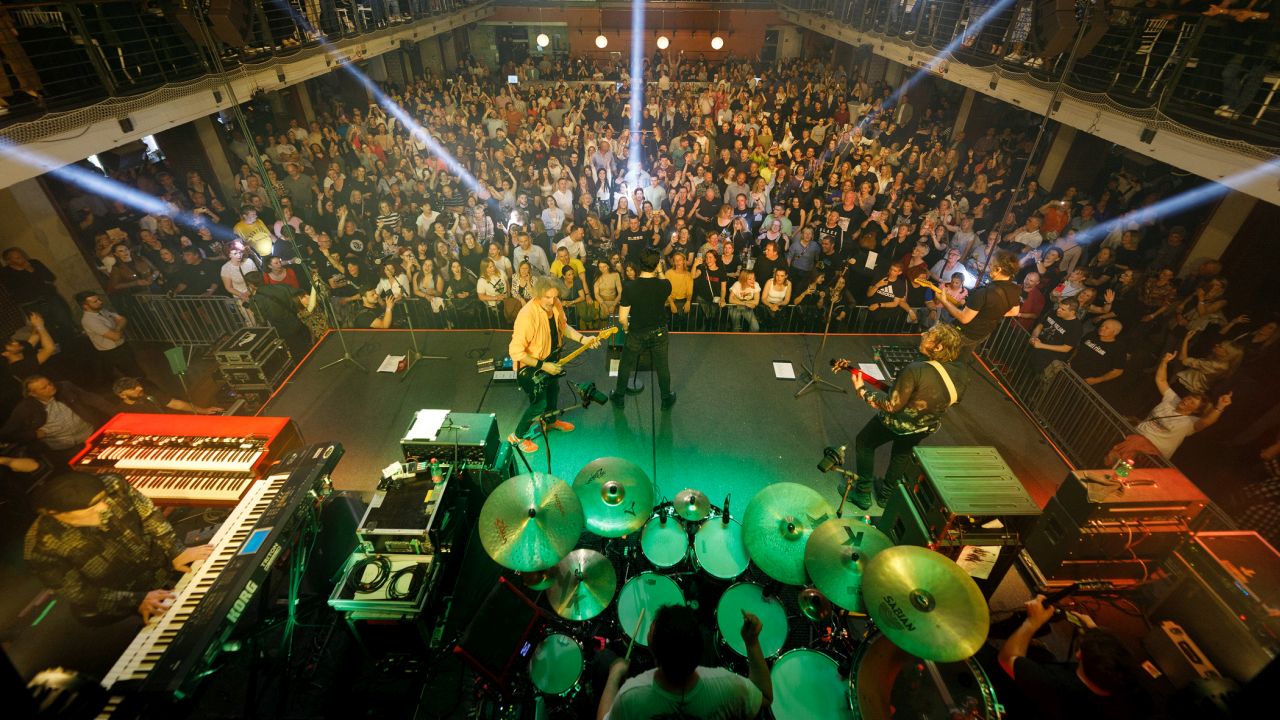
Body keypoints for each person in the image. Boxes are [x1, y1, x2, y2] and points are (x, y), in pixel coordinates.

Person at [24, 471, 212, 624]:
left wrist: (176, 550)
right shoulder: (41, 547)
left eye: (103, 499)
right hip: (126, 596)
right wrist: (136, 600)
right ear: (55, 513)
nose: (104, 507)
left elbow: (149, 515)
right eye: (92, 507)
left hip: (162, 563)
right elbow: (79, 592)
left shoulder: (113, 484)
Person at [846, 324, 969, 509]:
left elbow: (891, 405)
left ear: (938, 347)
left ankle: (863, 493)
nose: (923, 334)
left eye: (929, 335)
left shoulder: (916, 369)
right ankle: (885, 497)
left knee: (865, 442)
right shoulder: (961, 371)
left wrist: (862, 391)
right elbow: (955, 400)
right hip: (924, 426)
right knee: (901, 454)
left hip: (896, 422)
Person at [598, 604, 771, 720]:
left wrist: (615, 675)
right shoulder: (729, 686)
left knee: (604, 659)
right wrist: (752, 642)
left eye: (651, 630)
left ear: (655, 657)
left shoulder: (631, 696)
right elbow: (764, 696)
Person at [997, 595, 1143, 720]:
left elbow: (1007, 658)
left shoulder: (1055, 686)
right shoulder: (1127, 691)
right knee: (1041, 653)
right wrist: (1094, 631)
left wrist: (1032, 622)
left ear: (1079, 654)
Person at [508, 275, 602, 453]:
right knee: (539, 404)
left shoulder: (556, 304)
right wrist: (543, 366)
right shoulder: (527, 315)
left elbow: (563, 327)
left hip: (551, 359)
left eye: (555, 296)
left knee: (553, 391)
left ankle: (550, 422)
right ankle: (517, 436)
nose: (552, 301)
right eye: (547, 297)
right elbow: (515, 352)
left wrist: (583, 339)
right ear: (537, 295)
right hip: (532, 367)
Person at [611, 250, 676, 410]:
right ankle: (666, 399)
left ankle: (619, 397)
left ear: (640, 265)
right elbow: (664, 282)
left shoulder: (630, 287)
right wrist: (660, 271)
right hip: (659, 331)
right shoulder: (664, 285)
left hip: (636, 333)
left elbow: (622, 318)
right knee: (662, 366)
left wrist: (626, 329)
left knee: (626, 364)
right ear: (657, 264)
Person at [1135, 352, 1232, 460]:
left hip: (1150, 455)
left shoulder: (1189, 423)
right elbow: (1161, 380)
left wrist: (1220, 406)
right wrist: (1164, 362)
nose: (1187, 400)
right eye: (1189, 398)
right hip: (1134, 438)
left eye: (1192, 403)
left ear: (1196, 411)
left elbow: (1206, 422)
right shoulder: (1173, 399)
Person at [0, 375, 116, 464]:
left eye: (49, 383)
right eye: (44, 388)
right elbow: (6, 434)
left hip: (90, 434)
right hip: (64, 448)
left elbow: (92, 399)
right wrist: (34, 435)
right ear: (33, 394)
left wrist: (117, 413)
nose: (50, 387)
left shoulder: (65, 387)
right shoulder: (25, 408)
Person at [938, 250, 1021, 358]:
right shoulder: (1015, 289)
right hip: (983, 334)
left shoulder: (984, 293)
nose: (989, 267)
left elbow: (964, 318)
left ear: (998, 269)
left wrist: (944, 301)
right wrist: (987, 313)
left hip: (964, 333)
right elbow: (1014, 311)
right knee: (961, 359)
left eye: (991, 264)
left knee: (942, 354)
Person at [76, 290, 145, 384]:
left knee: (135, 370)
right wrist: (118, 327)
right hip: (113, 352)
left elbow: (123, 319)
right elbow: (115, 336)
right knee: (136, 374)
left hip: (123, 346)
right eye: (95, 301)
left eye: (99, 299)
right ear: (85, 306)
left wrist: (117, 328)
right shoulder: (89, 320)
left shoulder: (102, 310)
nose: (100, 302)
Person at [244, 271, 314, 359]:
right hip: (298, 323)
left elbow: (262, 320)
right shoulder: (281, 286)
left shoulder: (255, 300)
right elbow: (300, 294)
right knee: (312, 349)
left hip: (284, 332)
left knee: (301, 357)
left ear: (251, 284)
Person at [112, 377, 222, 415]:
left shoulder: (150, 395)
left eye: (138, 385)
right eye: (133, 389)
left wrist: (204, 410)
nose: (140, 388)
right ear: (122, 395)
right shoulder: (123, 412)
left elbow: (176, 404)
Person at [1029, 297, 1082, 372]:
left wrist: (1041, 345)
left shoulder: (1076, 327)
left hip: (1047, 360)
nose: (1058, 310)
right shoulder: (1054, 313)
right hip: (1033, 349)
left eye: (1063, 309)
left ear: (1072, 312)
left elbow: (1066, 348)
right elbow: (1040, 325)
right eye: (1059, 307)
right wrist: (1033, 337)